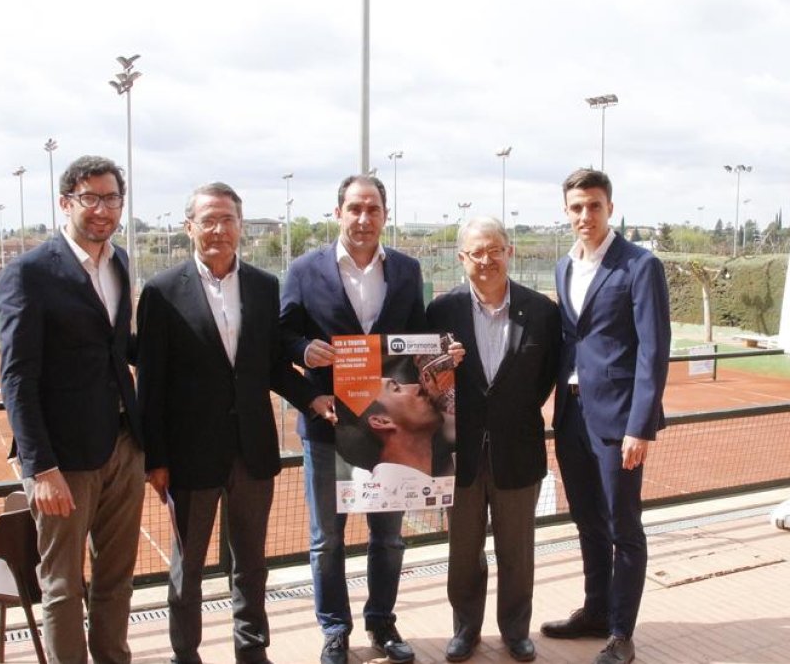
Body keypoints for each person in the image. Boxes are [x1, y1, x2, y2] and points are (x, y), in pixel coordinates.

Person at [136, 182, 338, 664]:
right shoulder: (161, 292)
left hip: (252, 451)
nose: (219, 230)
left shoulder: (265, 287)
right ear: (189, 228)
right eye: (208, 220)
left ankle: (252, 649)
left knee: (251, 563)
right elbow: (152, 384)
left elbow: (270, 366)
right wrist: (156, 458)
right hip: (189, 458)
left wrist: (311, 398)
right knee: (188, 566)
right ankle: (185, 653)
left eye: (228, 220)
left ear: (240, 227)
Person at [0, 154, 145, 663]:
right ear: (66, 202)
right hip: (63, 461)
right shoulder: (29, 273)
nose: (102, 209)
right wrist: (41, 467)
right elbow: (17, 376)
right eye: (90, 197)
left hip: (123, 445)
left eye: (111, 198)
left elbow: (115, 346)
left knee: (116, 578)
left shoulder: (120, 261)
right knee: (62, 586)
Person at [279, 174, 426, 664]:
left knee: (388, 536)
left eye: (373, 209)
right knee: (327, 540)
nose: (364, 219)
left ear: (385, 214)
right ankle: (335, 629)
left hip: (389, 429)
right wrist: (304, 351)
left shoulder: (406, 270)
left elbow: (418, 342)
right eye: (354, 209)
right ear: (338, 212)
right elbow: (279, 342)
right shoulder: (303, 270)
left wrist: (444, 356)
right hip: (327, 426)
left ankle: (382, 624)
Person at [540, 169, 671, 664]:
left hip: (619, 422)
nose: (584, 216)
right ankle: (595, 611)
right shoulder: (563, 267)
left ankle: (620, 632)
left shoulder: (640, 265)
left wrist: (641, 425)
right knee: (587, 522)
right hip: (571, 415)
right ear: (566, 211)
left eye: (593, 206)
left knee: (623, 526)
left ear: (609, 208)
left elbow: (653, 351)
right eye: (576, 207)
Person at [427, 215, 560, 663]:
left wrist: (509, 414)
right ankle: (466, 629)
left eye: (494, 250)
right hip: (458, 453)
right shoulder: (440, 311)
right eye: (476, 252)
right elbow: (423, 379)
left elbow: (543, 380)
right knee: (463, 552)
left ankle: (516, 631)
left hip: (518, 449)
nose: (486, 260)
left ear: (510, 252)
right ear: (462, 258)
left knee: (517, 551)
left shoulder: (541, 312)